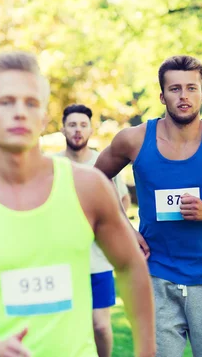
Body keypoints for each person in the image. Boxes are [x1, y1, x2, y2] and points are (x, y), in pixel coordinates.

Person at [0, 51, 155, 357]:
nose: (20, 112)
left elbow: (130, 266)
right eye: (6, 102)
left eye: (31, 103)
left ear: (44, 117)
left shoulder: (88, 188)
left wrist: (146, 351)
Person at [94, 55, 202, 357]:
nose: (184, 96)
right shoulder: (133, 140)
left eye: (192, 88)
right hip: (154, 275)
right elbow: (95, 178)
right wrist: (125, 227)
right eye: (175, 89)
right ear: (162, 95)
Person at [56, 103, 131, 357]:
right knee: (65, 326)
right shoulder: (51, 166)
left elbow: (123, 202)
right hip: (61, 260)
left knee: (99, 325)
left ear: (90, 128)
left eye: (83, 125)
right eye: (72, 125)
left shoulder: (103, 163)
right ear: (63, 128)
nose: (78, 130)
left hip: (98, 259)